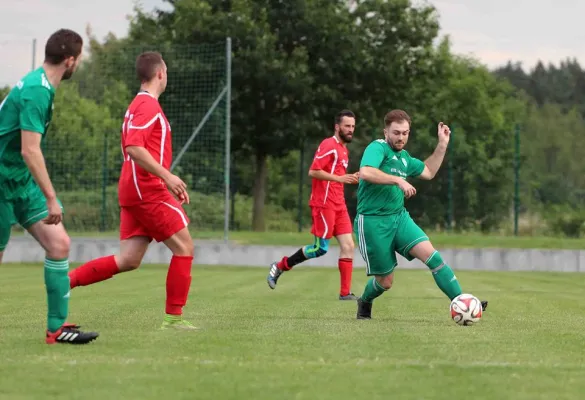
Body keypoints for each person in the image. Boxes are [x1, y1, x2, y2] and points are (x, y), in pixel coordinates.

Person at [68, 52, 197, 330]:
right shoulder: (148, 107)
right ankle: (174, 318)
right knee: (184, 247)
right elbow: (134, 148)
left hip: (135, 188)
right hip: (147, 189)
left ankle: (65, 281)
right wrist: (167, 177)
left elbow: (132, 147)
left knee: (128, 259)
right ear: (160, 73)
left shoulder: (135, 106)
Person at [0, 29, 99, 344]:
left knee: (59, 245)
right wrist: (52, 198)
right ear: (70, 60)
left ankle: (56, 330)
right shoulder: (36, 90)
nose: (78, 65)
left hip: (19, 179)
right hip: (1, 179)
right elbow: (31, 150)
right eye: (79, 59)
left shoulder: (44, 87)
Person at [354, 109, 488, 319]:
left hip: (399, 218)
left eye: (405, 133)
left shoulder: (405, 158)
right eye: (396, 132)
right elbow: (366, 172)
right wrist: (398, 180)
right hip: (372, 222)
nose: (401, 137)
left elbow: (428, 171)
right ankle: (365, 300)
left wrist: (442, 145)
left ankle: (463, 302)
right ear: (386, 131)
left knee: (433, 258)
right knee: (385, 282)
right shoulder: (377, 148)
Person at [267, 110, 359, 300]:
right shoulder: (329, 145)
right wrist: (339, 178)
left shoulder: (344, 149)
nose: (350, 130)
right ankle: (281, 265)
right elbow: (314, 171)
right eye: (347, 126)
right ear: (337, 127)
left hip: (338, 204)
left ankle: (345, 293)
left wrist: (350, 179)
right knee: (320, 248)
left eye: (352, 126)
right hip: (324, 203)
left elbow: (338, 178)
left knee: (348, 245)